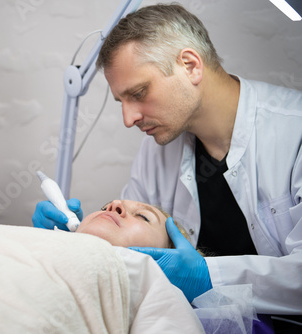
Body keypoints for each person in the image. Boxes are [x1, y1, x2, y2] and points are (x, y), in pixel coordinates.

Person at [33, 3, 302, 332]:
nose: (128, 119)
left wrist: (207, 277)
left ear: (190, 66)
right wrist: (67, 240)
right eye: (122, 102)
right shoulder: (158, 148)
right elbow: (131, 245)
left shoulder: (295, 133)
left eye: (139, 93)